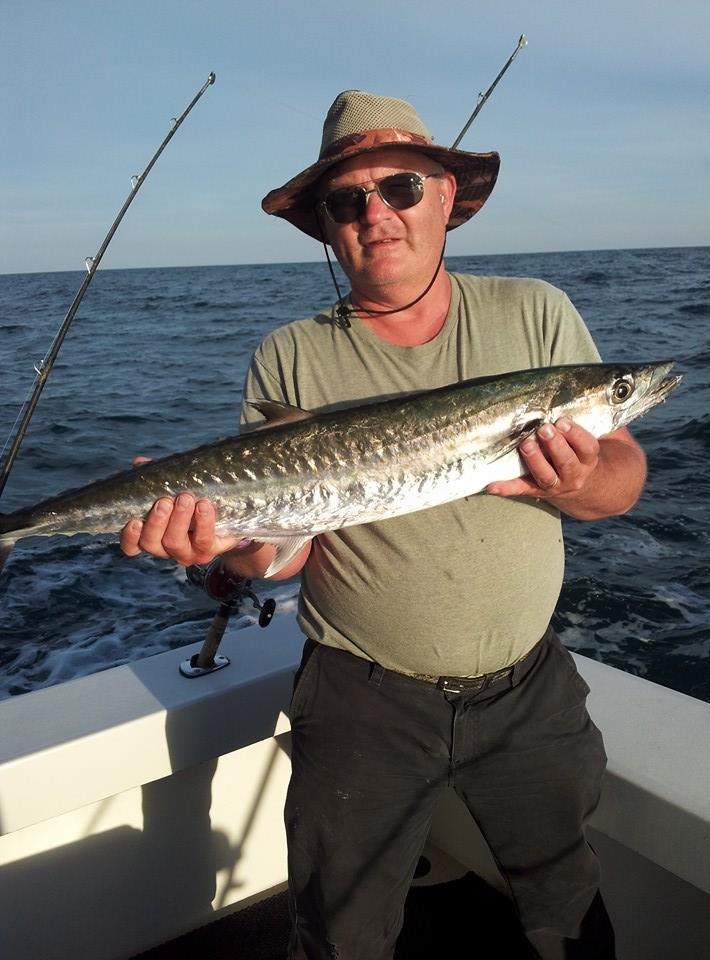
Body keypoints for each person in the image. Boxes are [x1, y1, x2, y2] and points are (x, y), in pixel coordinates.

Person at [121, 90, 647, 959]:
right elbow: (277, 550)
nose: (377, 213)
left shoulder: (535, 312)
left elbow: (620, 480)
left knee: (566, 907)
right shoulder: (289, 353)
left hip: (528, 690)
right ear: (328, 226)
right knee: (341, 931)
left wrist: (580, 481)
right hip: (359, 697)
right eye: (347, 199)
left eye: (400, 187)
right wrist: (216, 545)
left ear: (446, 197)